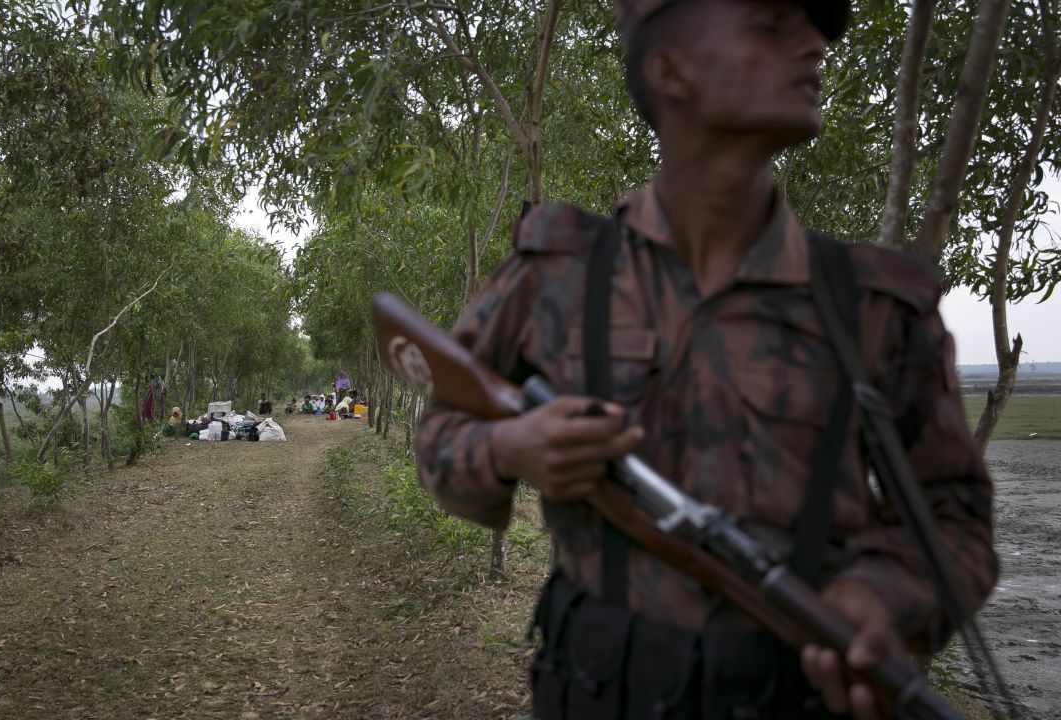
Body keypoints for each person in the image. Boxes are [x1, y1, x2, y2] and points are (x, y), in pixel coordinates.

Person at [413, 2, 997, 719]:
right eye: (772, 24)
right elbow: (440, 435)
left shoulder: (873, 305)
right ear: (670, 69)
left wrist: (877, 598)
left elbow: (955, 516)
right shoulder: (557, 275)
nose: (815, 45)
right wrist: (509, 446)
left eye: (814, 29)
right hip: (593, 691)